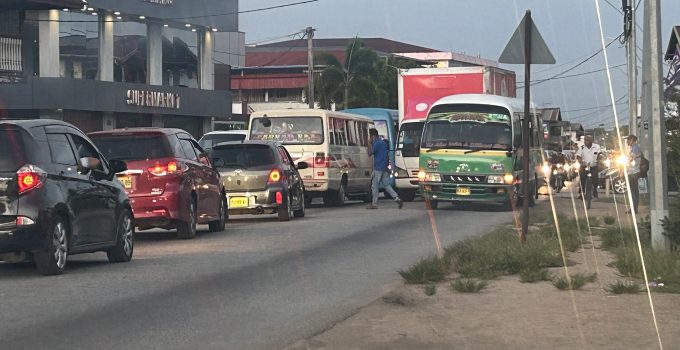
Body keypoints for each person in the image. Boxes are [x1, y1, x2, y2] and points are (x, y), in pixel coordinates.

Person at [367, 128, 403, 209]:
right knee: (386, 185)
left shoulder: (376, 144)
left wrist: (369, 143)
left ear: (373, 136)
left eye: (369, 136)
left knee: (374, 185)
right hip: (384, 167)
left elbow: (369, 153)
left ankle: (374, 204)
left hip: (378, 167)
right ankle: (397, 198)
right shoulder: (383, 143)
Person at [626, 135, 642, 214]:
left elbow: (637, 156)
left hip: (633, 172)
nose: (627, 141)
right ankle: (634, 208)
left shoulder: (635, 148)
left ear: (632, 140)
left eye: (628, 140)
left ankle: (633, 208)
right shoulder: (633, 148)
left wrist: (630, 159)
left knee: (633, 191)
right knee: (634, 191)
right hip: (632, 171)